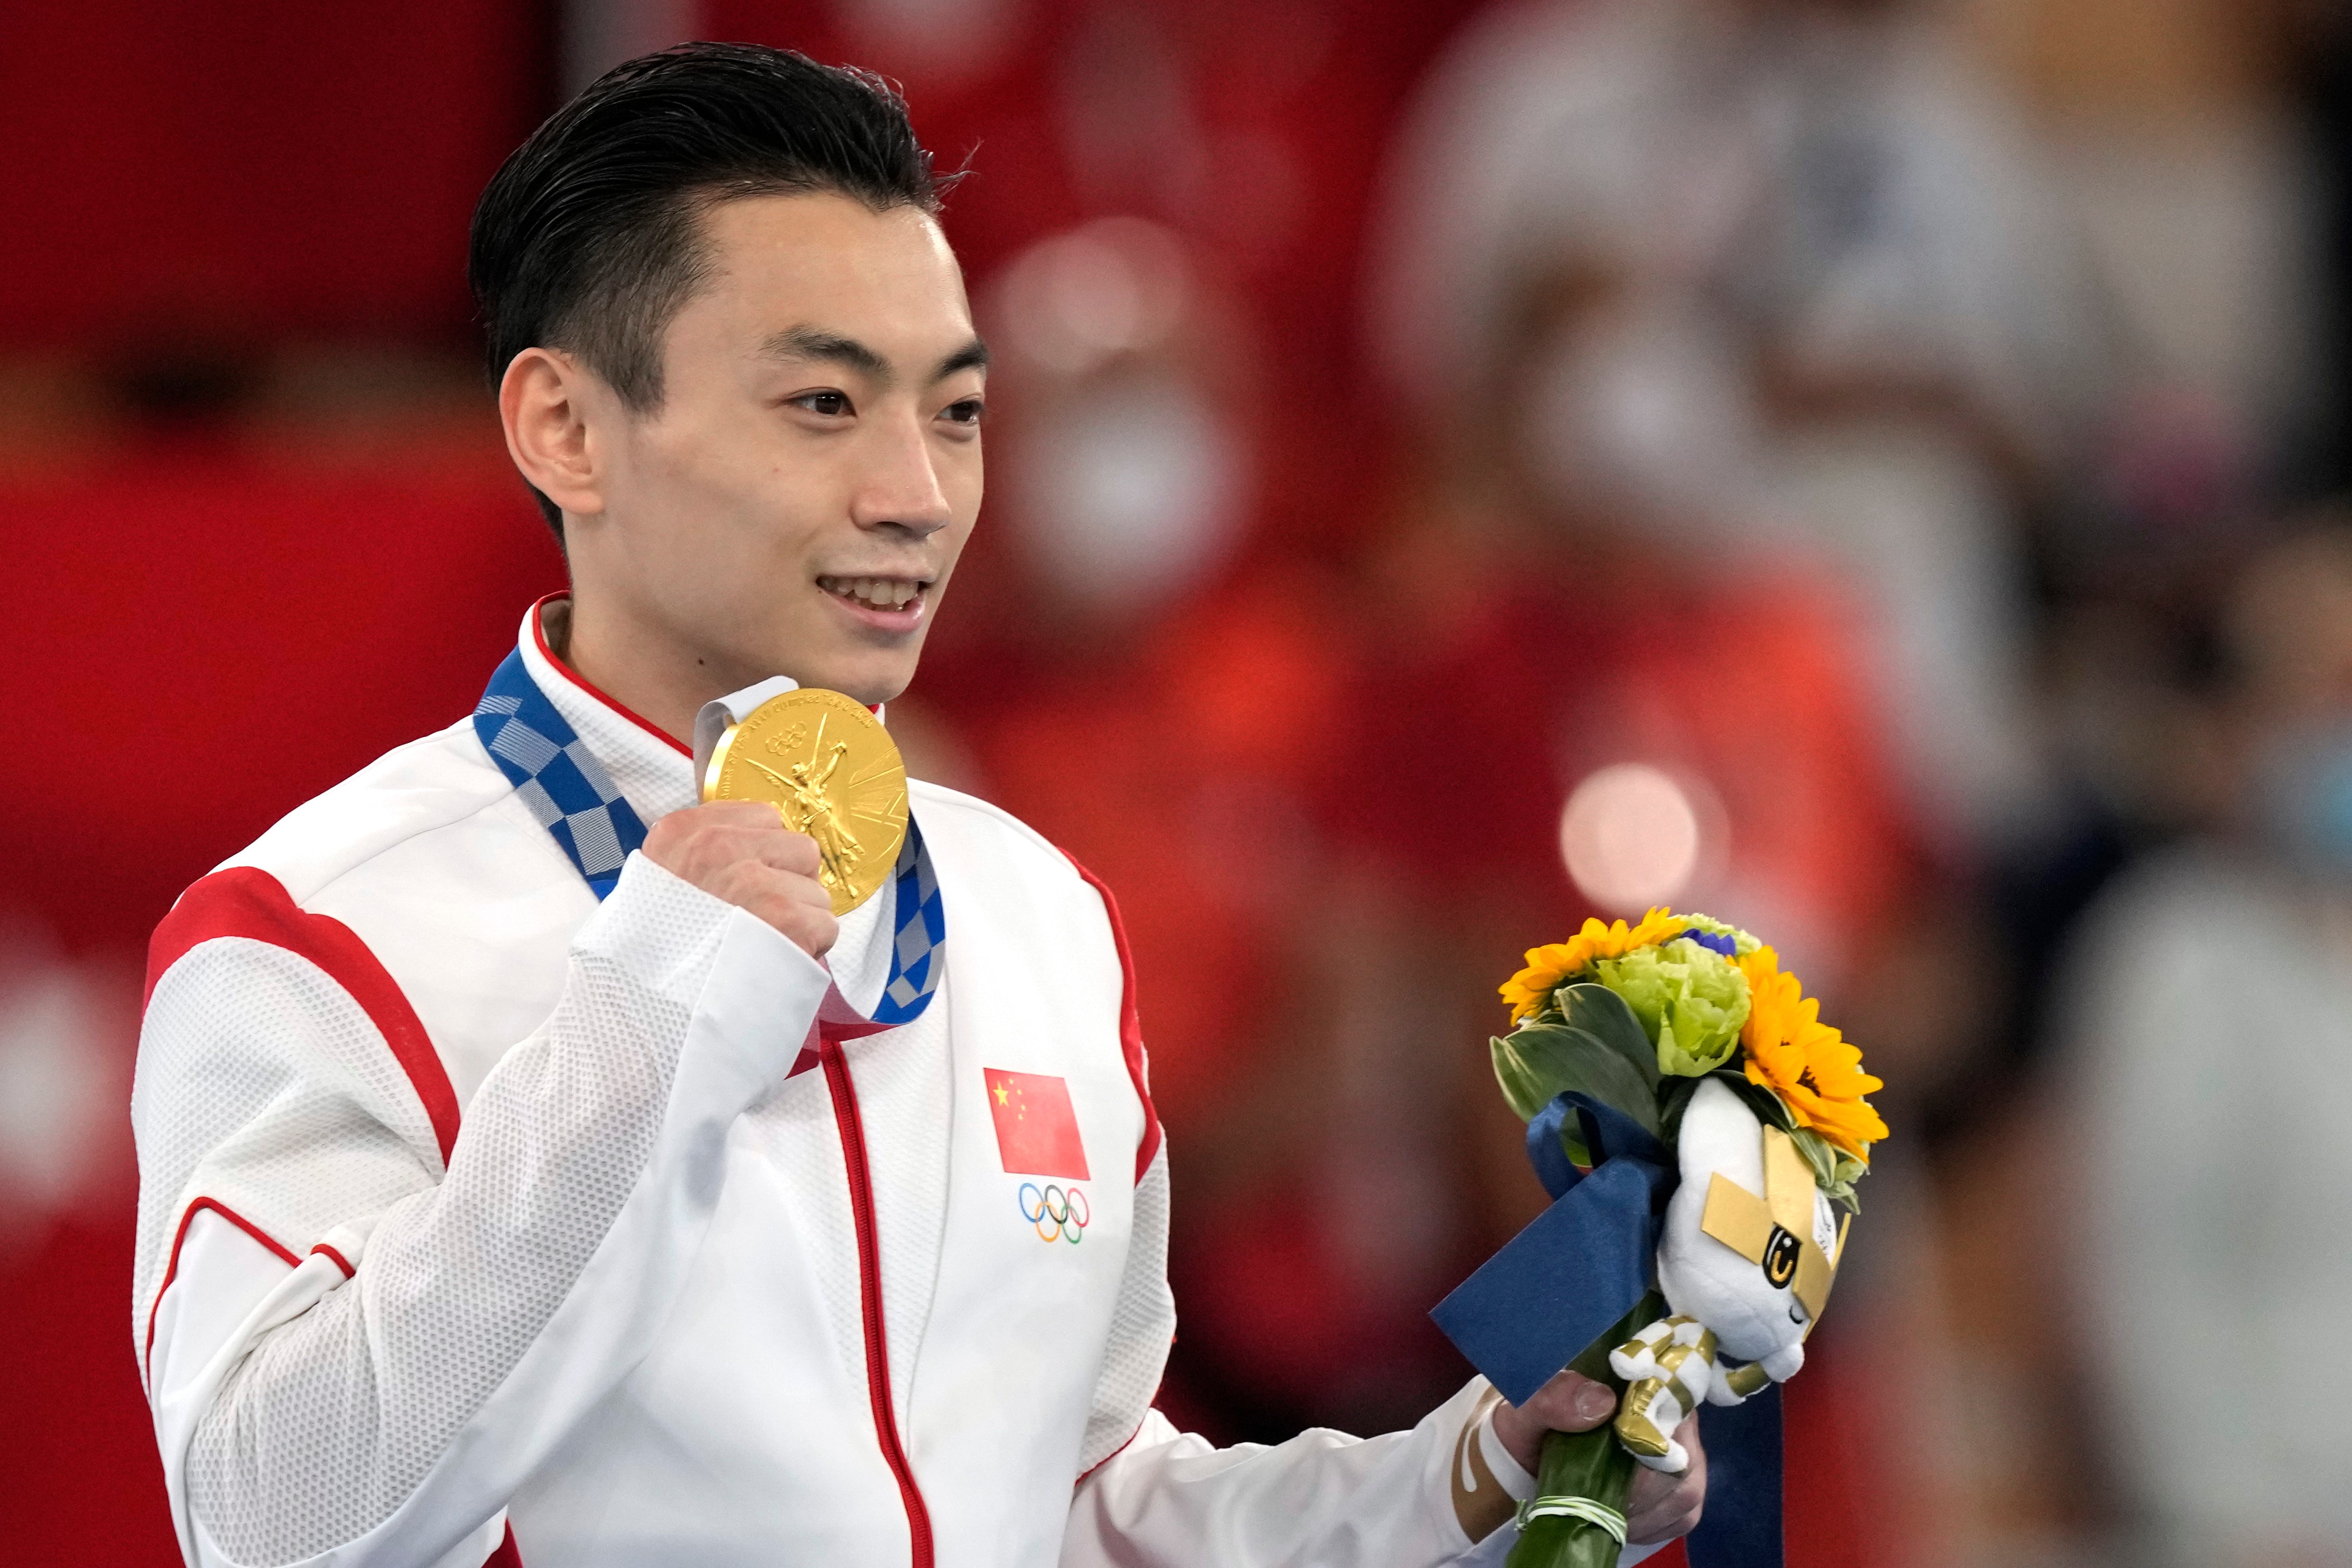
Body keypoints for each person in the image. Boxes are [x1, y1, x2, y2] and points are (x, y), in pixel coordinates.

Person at [129, 45, 1705, 1568]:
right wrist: (655, 1014)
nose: (918, 493)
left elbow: (1075, 1502)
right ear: (567, 428)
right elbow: (271, 1516)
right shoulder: (322, 933)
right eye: (823, 404)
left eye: (952, 411)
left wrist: (1461, 1483)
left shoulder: (1041, 917)